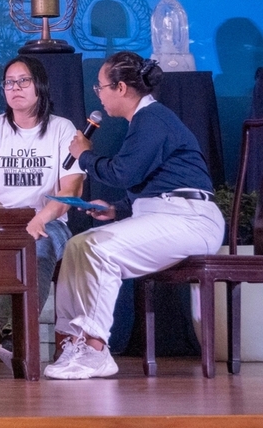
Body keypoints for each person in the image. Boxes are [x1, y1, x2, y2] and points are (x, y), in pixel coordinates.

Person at [46, 51, 224, 380]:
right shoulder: (142, 122)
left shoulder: (154, 118)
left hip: (191, 218)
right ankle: (73, 342)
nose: (97, 94)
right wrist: (118, 209)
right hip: (164, 214)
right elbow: (150, 184)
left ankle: (96, 349)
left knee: (99, 249)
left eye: (100, 88)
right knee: (77, 245)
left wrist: (85, 156)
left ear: (122, 88)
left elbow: (125, 172)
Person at [0, 56, 84, 368]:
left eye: (23, 81)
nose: (15, 87)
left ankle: (13, 338)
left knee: (39, 246)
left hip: (49, 220)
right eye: (9, 82)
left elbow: (69, 191)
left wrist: (40, 219)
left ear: (40, 86)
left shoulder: (62, 129)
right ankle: (15, 336)